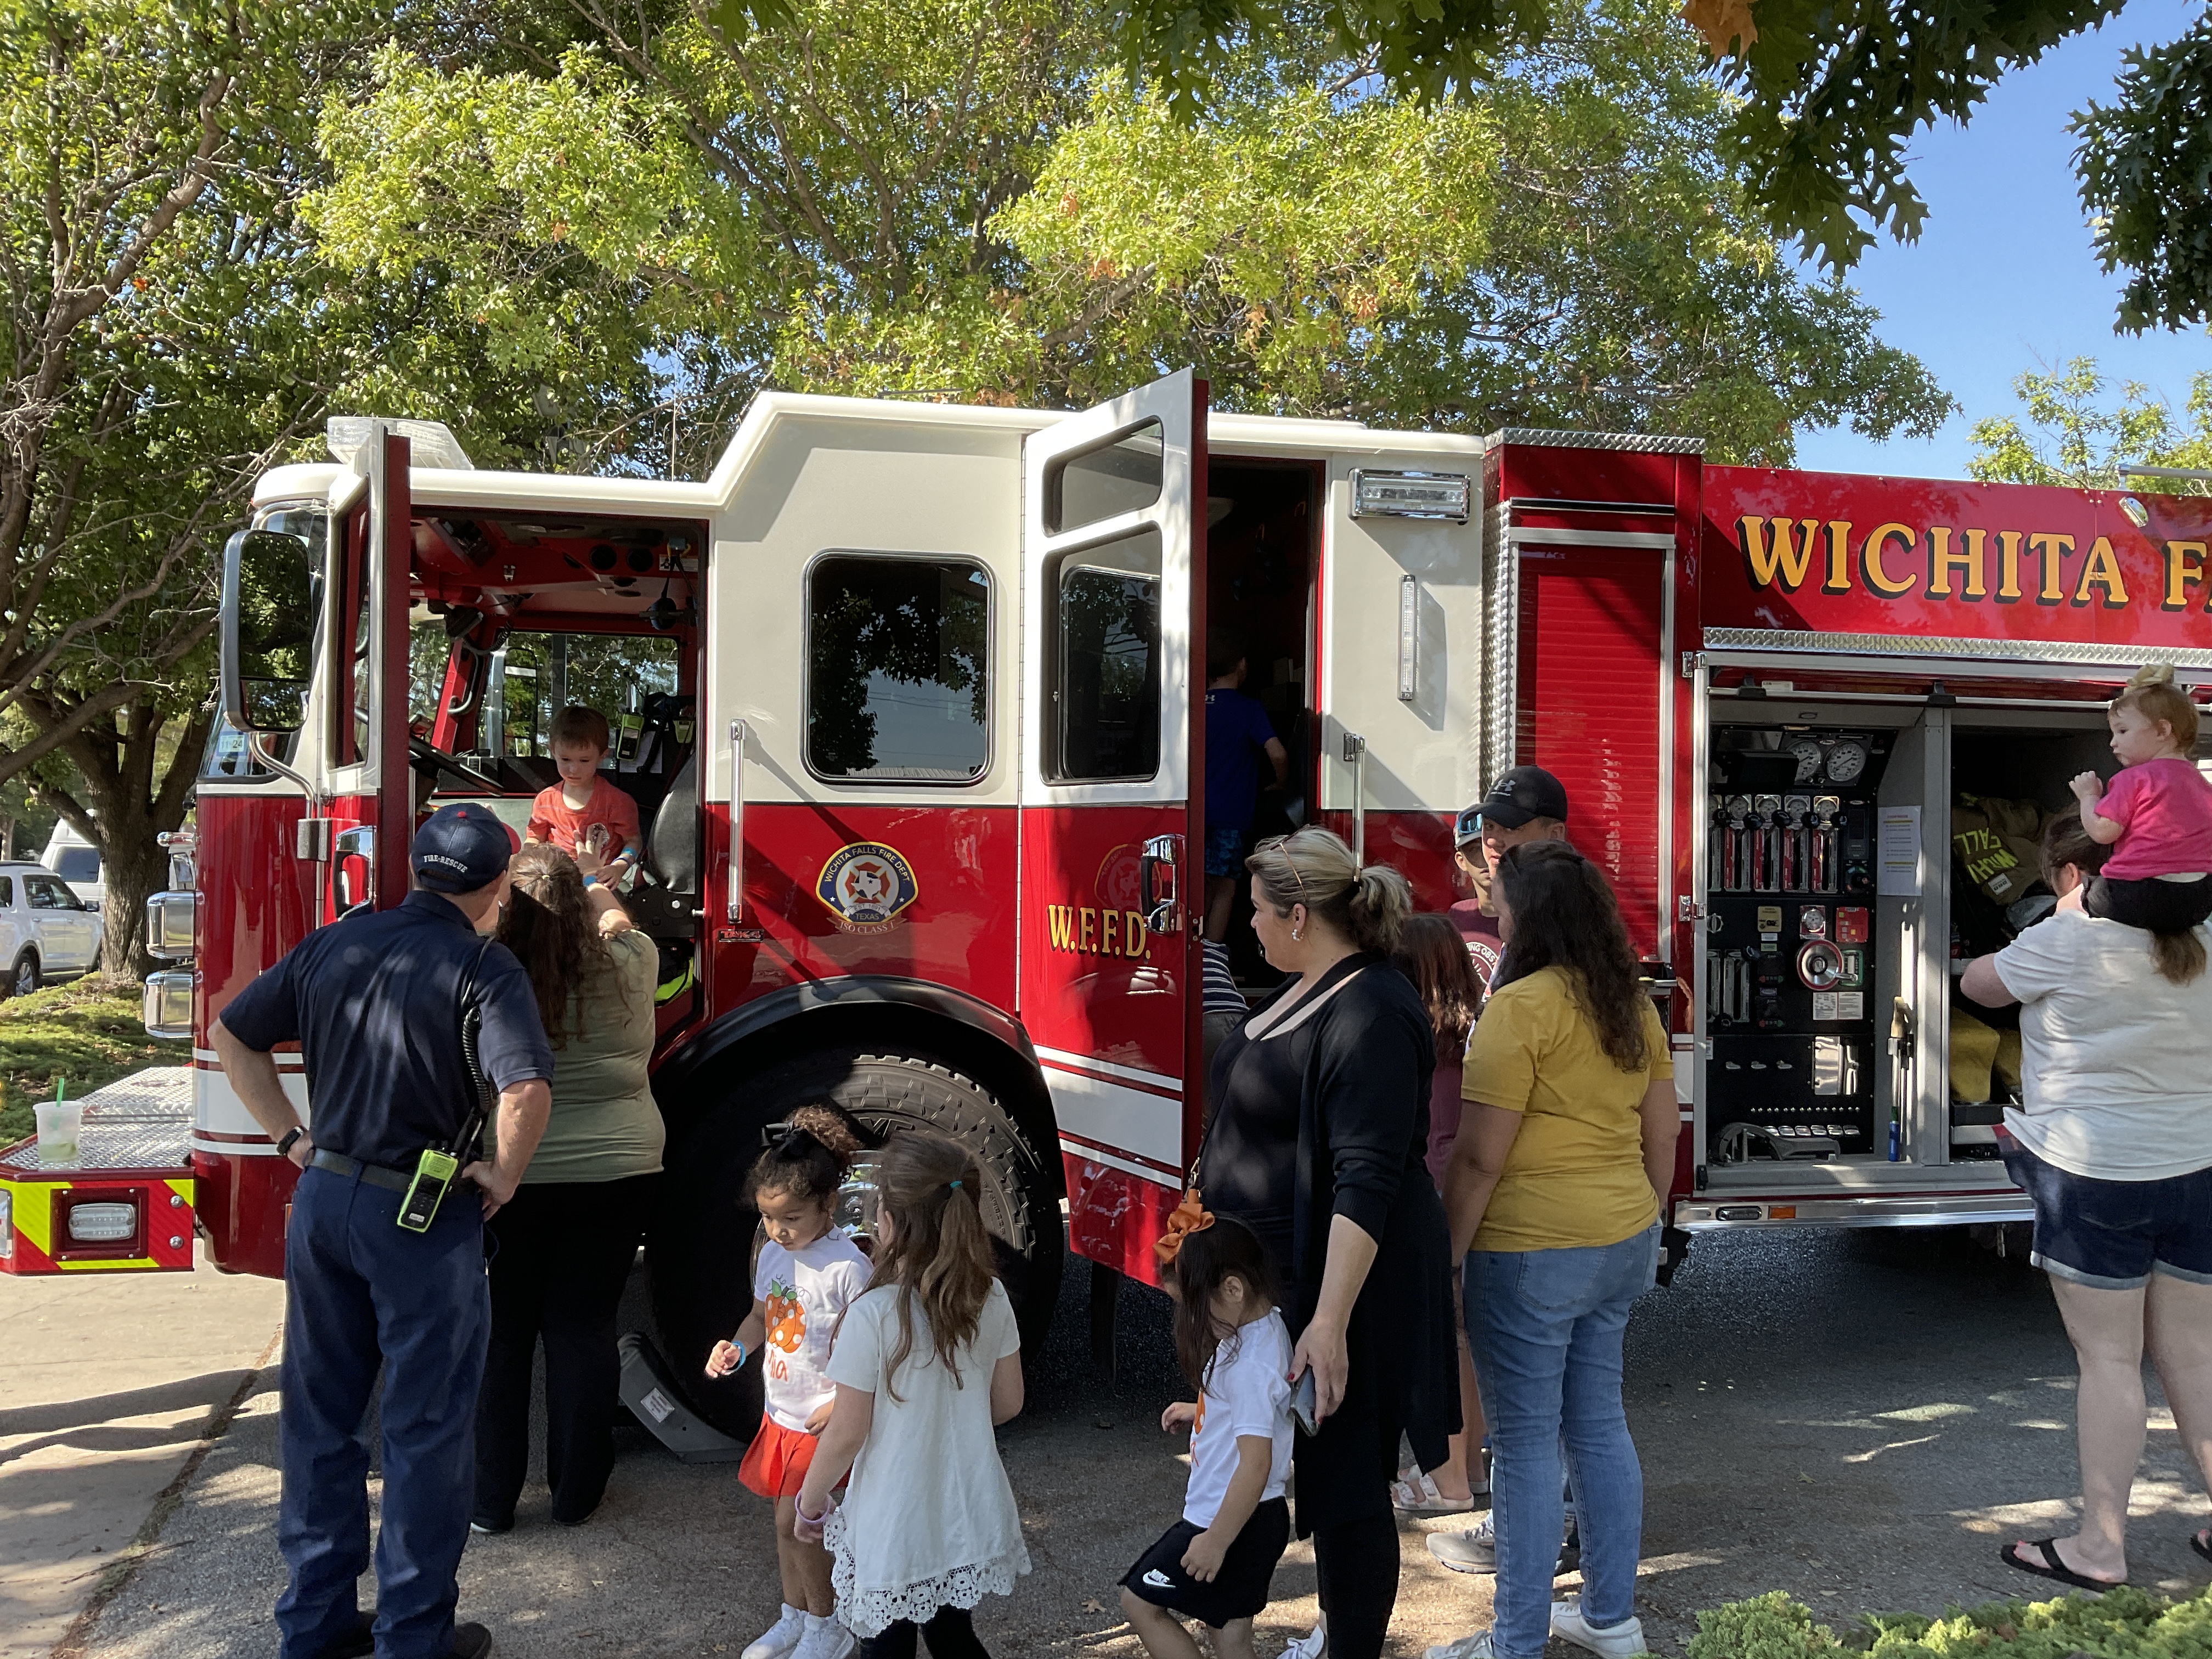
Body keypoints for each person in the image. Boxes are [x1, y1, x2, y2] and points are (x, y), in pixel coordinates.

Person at [210, 804, 555, 1659]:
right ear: (496, 885)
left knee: (321, 1423)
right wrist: (504, 1175)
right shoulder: (487, 965)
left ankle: (314, 1628)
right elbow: (525, 1090)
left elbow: (232, 1033)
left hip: (324, 1202)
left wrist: (292, 1140)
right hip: (420, 1216)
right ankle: (413, 1636)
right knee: (426, 1430)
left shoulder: (338, 940)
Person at [1201, 827, 1457, 1659]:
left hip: (1341, 1288)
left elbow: (1368, 1177)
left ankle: (1352, 1647)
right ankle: (1328, 1631)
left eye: (1263, 915)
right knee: (1294, 1480)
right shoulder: (1309, 985)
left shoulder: (1374, 1010)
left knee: (1347, 1489)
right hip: (1281, 1282)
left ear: (1302, 915)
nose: (1251, 929)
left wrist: (1328, 1322)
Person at [1427, 840, 1677, 1659]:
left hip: (1530, 1251)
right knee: (1599, 1425)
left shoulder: (1520, 1008)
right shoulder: (1631, 1005)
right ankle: (1611, 1620)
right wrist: (1646, 1214)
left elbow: (1477, 1158)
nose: (1490, 909)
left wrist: (1445, 1261)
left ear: (1528, 917)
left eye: (1498, 899)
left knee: (1527, 1444)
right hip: (1619, 1238)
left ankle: (1515, 1644)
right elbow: (1663, 1131)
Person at [1960, 814, 2212, 1593]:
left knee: (2109, 1360)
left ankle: (2100, 1546)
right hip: (2199, 1164)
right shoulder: (2202, 940)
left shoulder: (2061, 940)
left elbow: (1977, 985)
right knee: (2196, 1356)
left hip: (2096, 1174)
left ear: (2074, 877)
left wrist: (2066, 916)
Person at [472, 841, 664, 1536]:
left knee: (503, 1335)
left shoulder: (490, 976)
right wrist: (593, 880)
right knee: (583, 1326)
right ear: (579, 908)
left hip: (513, 1172)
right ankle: (576, 1494)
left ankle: (490, 1500)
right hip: (622, 1169)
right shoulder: (631, 966)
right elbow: (618, 923)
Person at [794, 1133, 1029, 1658]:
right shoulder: (988, 1295)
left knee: (885, 1645)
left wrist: (810, 1503)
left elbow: (847, 1432)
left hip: (894, 1520)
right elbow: (1008, 1402)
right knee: (953, 1635)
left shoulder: (874, 1315)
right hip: (963, 1507)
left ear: (891, 1223)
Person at [704, 1105, 873, 1659]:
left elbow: (861, 1350)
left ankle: (828, 1624)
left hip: (822, 1422)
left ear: (829, 1205)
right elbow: (760, 1317)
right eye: (770, 1218)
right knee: (785, 1525)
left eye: (792, 1218)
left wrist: (839, 1405)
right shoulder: (774, 1254)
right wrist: (736, 1346)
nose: (779, 1229)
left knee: (802, 1524)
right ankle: (795, 1615)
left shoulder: (848, 1268)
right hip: (781, 1413)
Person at [1120, 1215, 1295, 1659]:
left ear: (1233, 1289)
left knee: (1140, 1602)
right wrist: (1204, 1408)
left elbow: (1255, 1464)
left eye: (1195, 1307)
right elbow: (1253, 1408)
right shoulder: (1264, 1327)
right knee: (1229, 1632)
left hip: (1227, 1518)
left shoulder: (1249, 1369)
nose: (1191, 1319)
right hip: (1255, 1519)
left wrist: (1216, 1540)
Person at [1390, 913, 1490, 1515]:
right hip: (1475, 1201)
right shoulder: (1475, 1035)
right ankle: (1470, 1466)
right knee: (1466, 1338)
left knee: (1443, 1344)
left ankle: (1447, 1477)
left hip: (1436, 1203)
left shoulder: (1419, 1043)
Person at [2068, 664, 2212, 933]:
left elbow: (2102, 832)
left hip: (2138, 895)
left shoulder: (2134, 778)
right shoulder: (2202, 784)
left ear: (2162, 731)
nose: (2113, 743)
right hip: (2197, 898)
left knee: (2074, 900)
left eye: (2122, 731)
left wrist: (2088, 798)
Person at [1203, 627, 1290, 946]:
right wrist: (1281, 783)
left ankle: (1190, 955)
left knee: (1194, 885)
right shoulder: (1249, 709)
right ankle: (1211, 961)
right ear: (1242, 665)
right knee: (1225, 887)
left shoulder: (1193, 706)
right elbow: (1278, 753)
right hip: (1230, 815)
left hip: (1191, 813)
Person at [526, 705, 644, 887]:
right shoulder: (545, 800)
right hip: (558, 882)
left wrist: (619, 867)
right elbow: (535, 838)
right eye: (565, 760)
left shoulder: (618, 802)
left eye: (584, 760)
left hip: (602, 883)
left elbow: (633, 841)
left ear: (602, 755)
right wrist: (525, 856)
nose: (573, 770)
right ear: (552, 751)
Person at [1446, 806, 1505, 992]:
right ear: (1461, 861)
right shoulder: (1457, 915)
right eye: (1475, 851)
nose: (1486, 858)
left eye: (1491, 848)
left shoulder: (1525, 918)